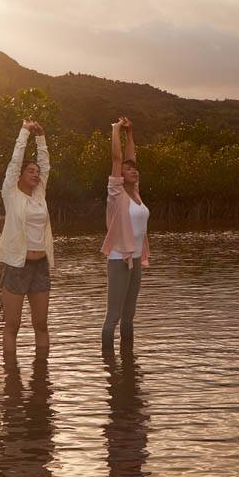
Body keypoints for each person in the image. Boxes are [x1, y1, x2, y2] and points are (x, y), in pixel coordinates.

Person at [0, 120, 52, 363]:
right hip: (18, 266)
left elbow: (46, 166)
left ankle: (42, 376)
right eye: (31, 171)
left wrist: (41, 139)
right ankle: (11, 382)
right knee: (13, 325)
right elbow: (14, 162)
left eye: (37, 173)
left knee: (41, 324)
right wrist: (25, 132)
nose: (36, 175)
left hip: (41, 266)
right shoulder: (11, 193)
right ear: (19, 175)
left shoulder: (39, 194)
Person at [101, 116, 150, 349]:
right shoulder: (116, 194)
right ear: (119, 175)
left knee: (129, 317)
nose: (133, 170)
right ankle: (110, 370)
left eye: (134, 169)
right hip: (119, 259)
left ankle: (129, 368)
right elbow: (118, 158)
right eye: (127, 170)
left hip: (136, 259)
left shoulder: (136, 193)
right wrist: (116, 129)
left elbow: (130, 157)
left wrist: (130, 133)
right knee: (113, 317)